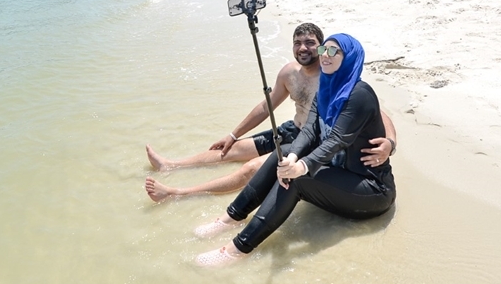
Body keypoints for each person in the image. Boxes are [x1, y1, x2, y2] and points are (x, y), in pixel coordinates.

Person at [194, 33, 396, 267]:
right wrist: (291, 157)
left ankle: (238, 248)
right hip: (340, 175)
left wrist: (302, 166)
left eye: (333, 52)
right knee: (284, 151)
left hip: (372, 190)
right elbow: (310, 131)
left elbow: (338, 140)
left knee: (298, 179)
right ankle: (232, 217)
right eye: (323, 51)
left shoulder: (359, 94)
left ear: (349, 57)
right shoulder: (326, 89)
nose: (325, 56)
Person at [144, 24, 396, 201]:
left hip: (313, 143)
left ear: (322, 48)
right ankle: (170, 165)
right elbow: (266, 106)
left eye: (311, 43)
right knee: (234, 149)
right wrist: (233, 134)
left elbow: (379, 114)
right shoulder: (290, 73)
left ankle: (179, 194)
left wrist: (390, 144)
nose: (303, 48)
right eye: (298, 43)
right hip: (293, 129)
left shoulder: (334, 76)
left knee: (252, 168)